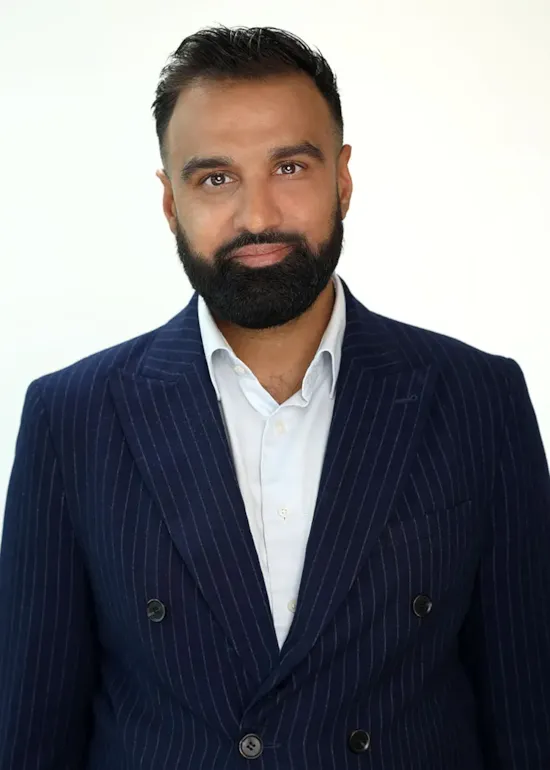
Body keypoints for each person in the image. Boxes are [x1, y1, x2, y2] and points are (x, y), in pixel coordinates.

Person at [0, 24, 549, 770]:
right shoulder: (70, 419)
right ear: (169, 200)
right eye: (215, 178)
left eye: (289, 166)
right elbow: (30, 735)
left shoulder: (481, 400)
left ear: (343, 178)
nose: (257, 216)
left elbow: (529, 718)